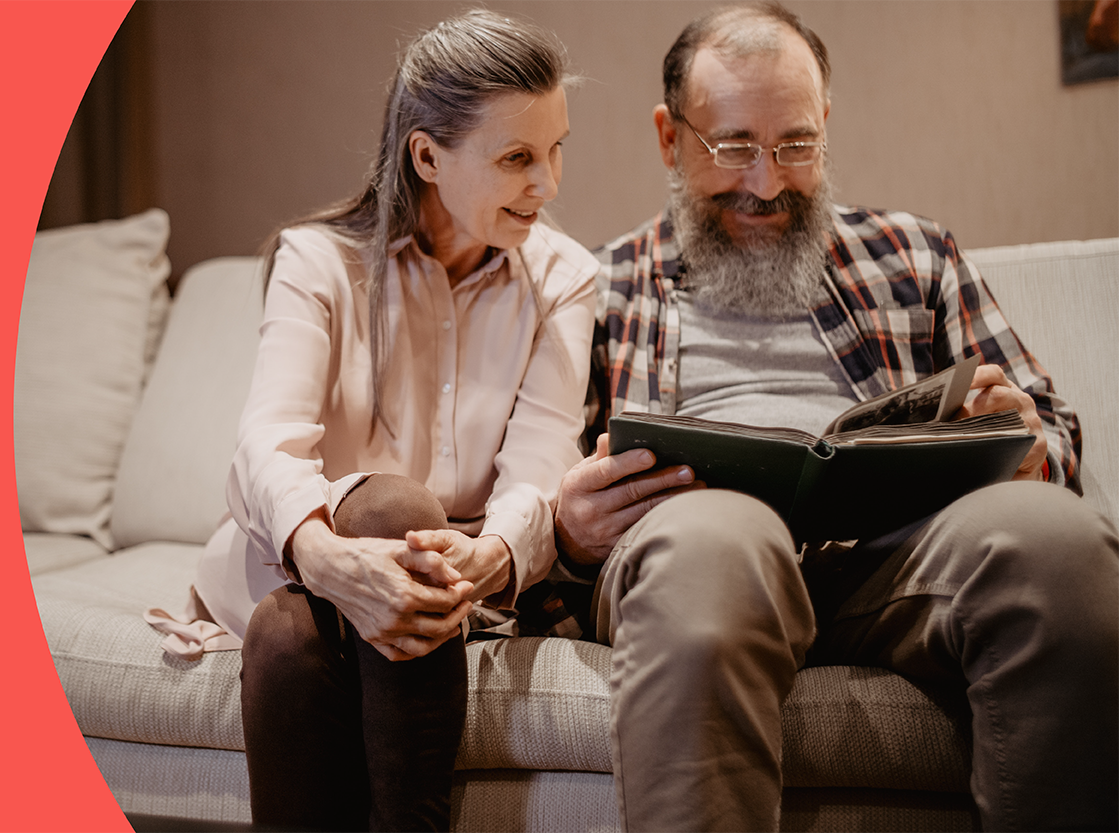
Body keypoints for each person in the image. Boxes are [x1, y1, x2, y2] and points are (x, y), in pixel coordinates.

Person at [539, 4, 1119, 832]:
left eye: (796, 144)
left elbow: (1051, 428)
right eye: (733, 145)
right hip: (699, 553)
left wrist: (1024, 443)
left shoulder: (914, 253)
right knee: (714, 545)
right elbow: (537, 488)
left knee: (1055, 543)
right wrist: (568, 529)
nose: (767, 182)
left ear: (826, 128)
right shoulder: (597, 286)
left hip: (896, 562)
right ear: (671, 139)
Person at [150, 11, 598, 832]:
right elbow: (266, 445)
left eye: (556, 148)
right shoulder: (317, 261)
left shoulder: (565, 279)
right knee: (377, 522)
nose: (549, 183)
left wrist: (492, 555)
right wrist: (324, 557)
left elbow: (540, 470)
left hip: (451, 575)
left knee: (290, 633)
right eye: (517, 158)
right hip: (296, 549)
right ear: (427, 156)